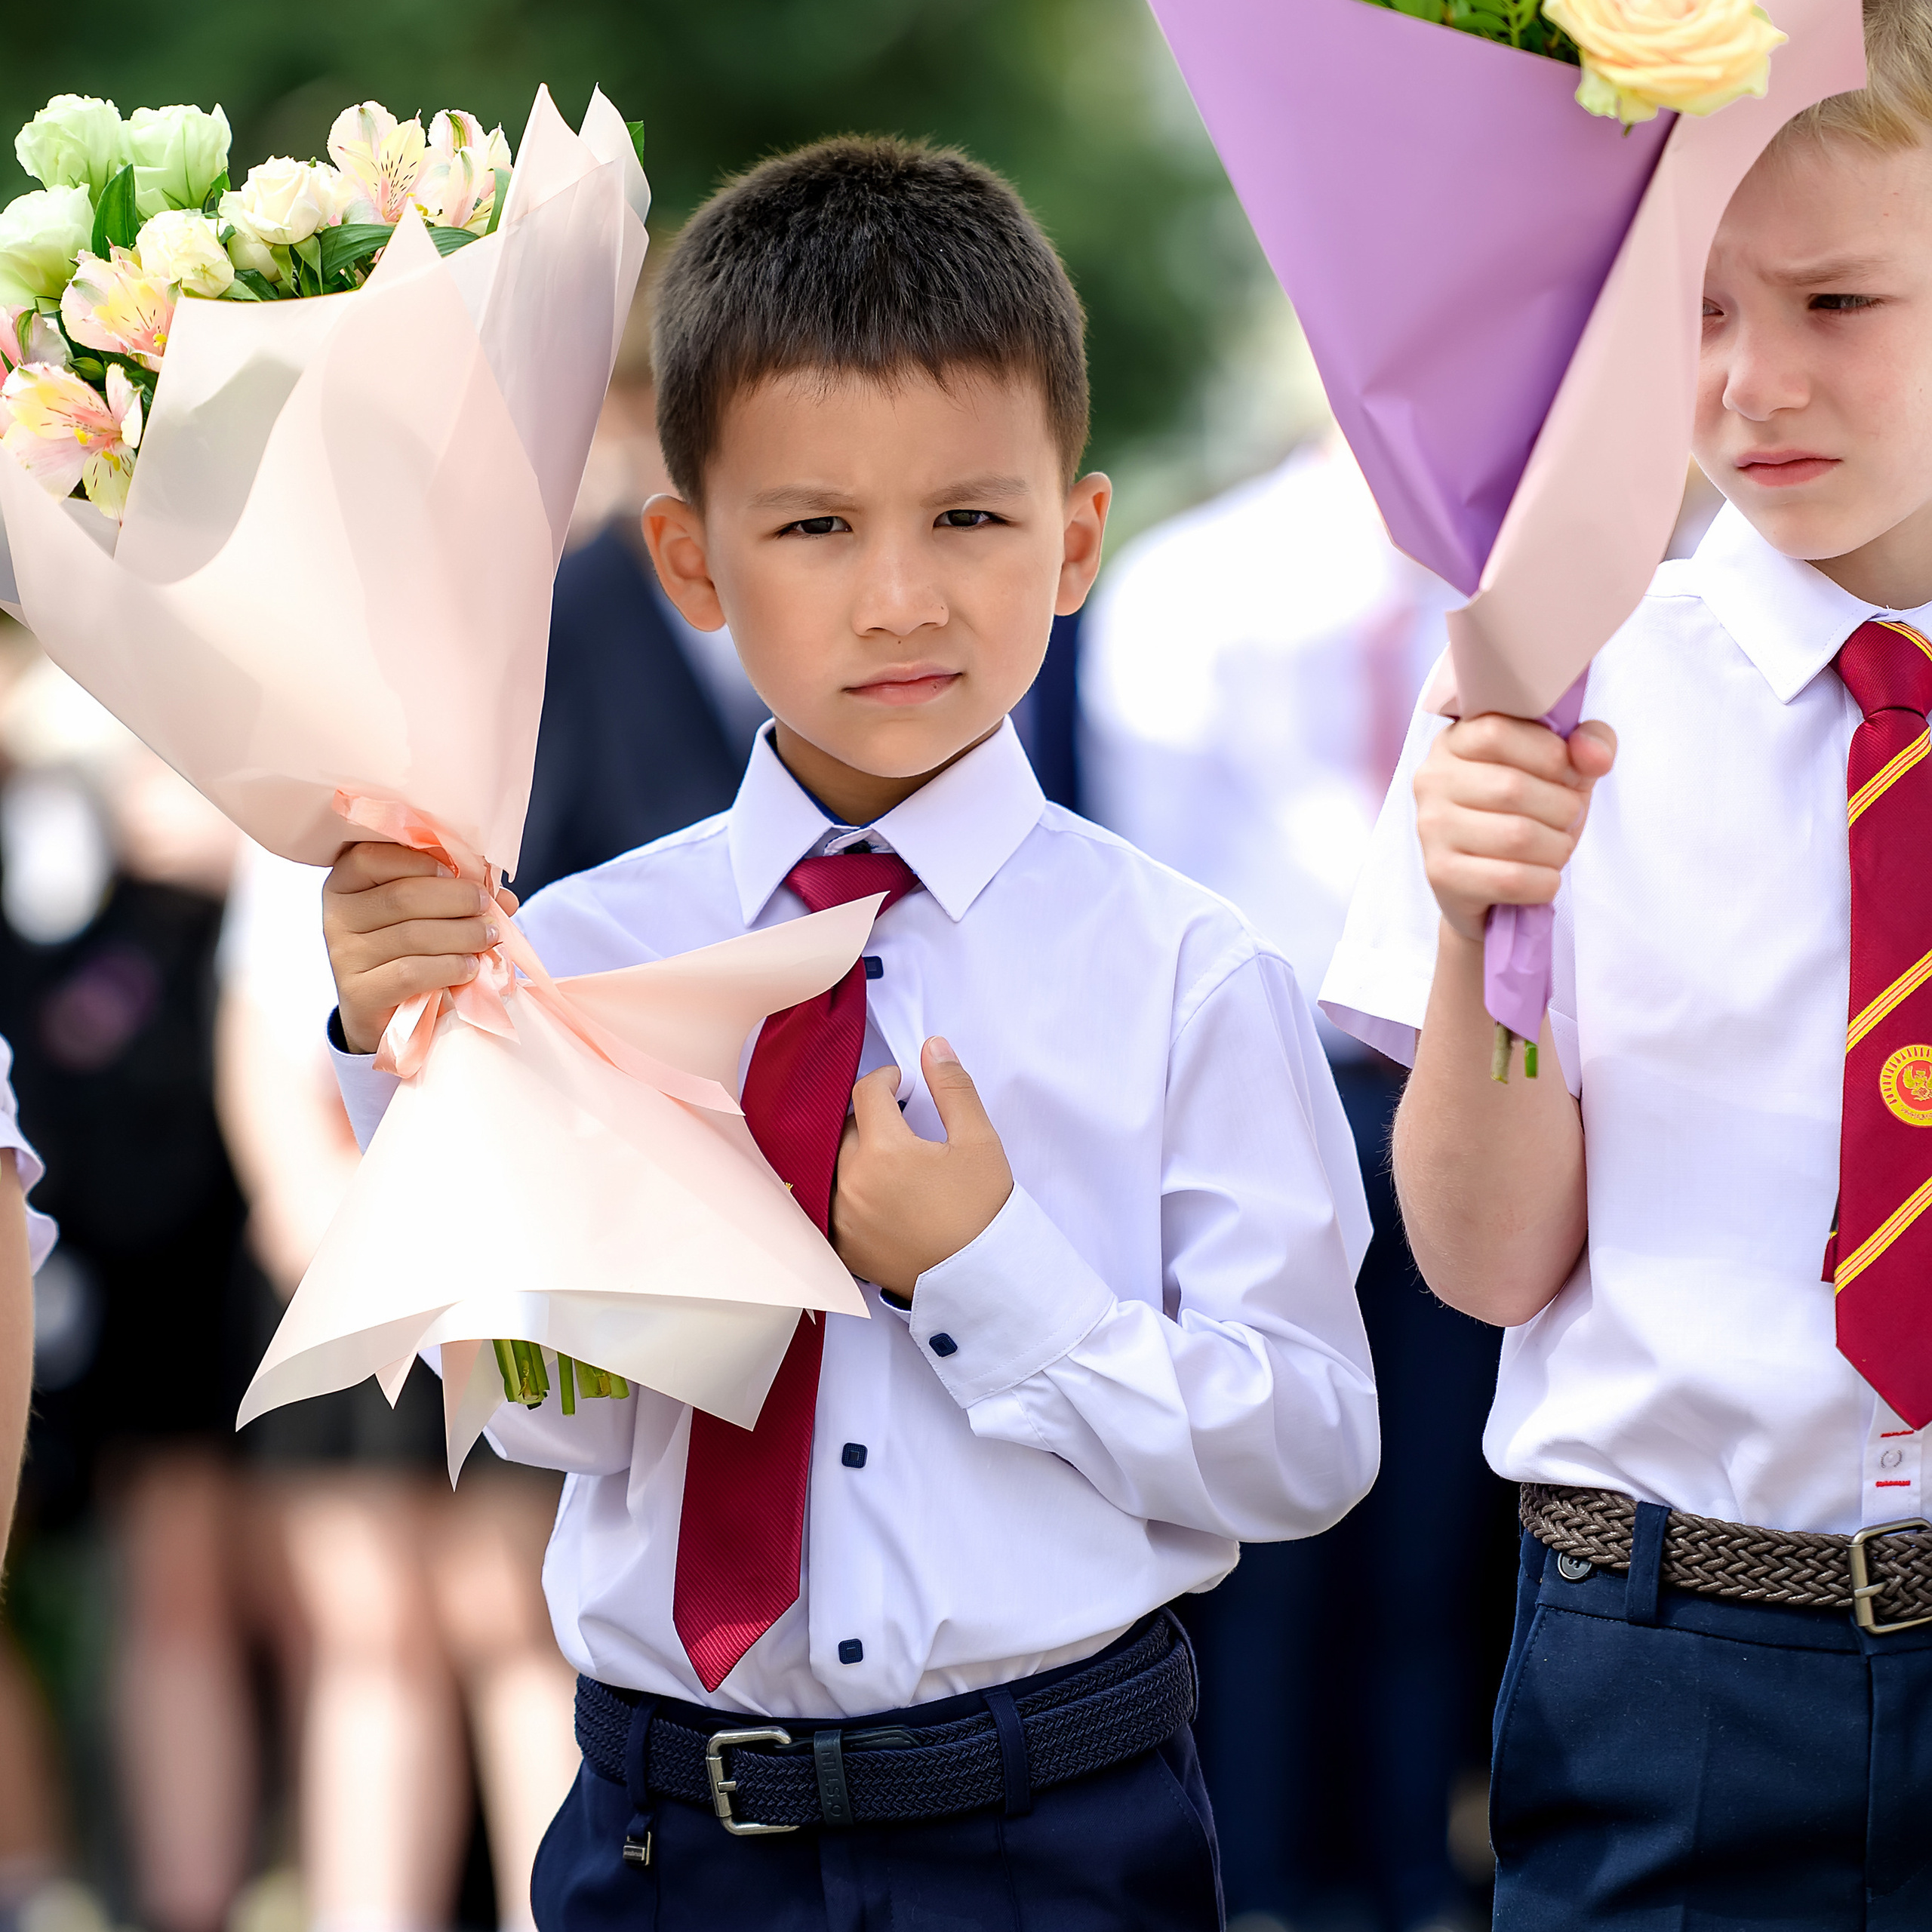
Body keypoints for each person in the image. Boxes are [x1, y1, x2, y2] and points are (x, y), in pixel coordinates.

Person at [321, 136, 1380, 1929]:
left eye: (970, 515)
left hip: (1058, 1823)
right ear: (688, 559)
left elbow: (1306, 1449)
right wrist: (398, 1051)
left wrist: (990, 1273)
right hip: (669, 1832)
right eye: (814, 524)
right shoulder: (570, 954)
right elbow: (547, 1424)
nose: (901, 594)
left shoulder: (1193, 970)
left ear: (1076, 536)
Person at [1321, 2, 1932, 1921]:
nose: (1755, 383)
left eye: (1838, 303)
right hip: (1666, 1649)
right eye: (1697, 308)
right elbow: (1485, 1259)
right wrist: (1467, 917)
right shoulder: (1547, 683)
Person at [1083, 437, 1505, 1932]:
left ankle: (1409, 1870)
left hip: (1449, 1095)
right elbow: (1156, 882)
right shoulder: (1189, 585)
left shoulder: (1508, 584)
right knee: (1261, 1533)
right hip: (1262, 1098)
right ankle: (1251, 1875)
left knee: (1433, 1519)